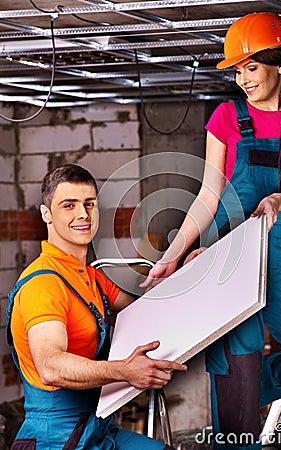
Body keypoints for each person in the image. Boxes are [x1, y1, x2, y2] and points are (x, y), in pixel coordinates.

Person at [141, 12, 281, 449]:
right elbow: (208, 196)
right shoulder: (227, 117)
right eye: (237, 71)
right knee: (234, 376)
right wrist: (172, 255)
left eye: (252, 68)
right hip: (230, 261)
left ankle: (265, 383)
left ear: (279, 63)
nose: (243, 79)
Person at [6, 164, 187, 450]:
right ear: (46, 215)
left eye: (89, 204)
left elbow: (145, 312)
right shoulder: (42, 284)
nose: (83, 215)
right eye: (69, 205)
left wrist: (188, 270)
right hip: (57, 437)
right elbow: (50, 367)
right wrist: (123, 371)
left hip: (95, 426)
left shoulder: (91, 277)